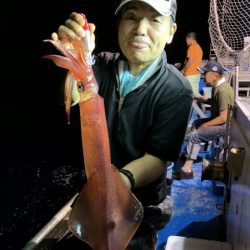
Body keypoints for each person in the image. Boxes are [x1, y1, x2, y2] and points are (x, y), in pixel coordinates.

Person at [51, 0, 193, 248]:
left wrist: (118, 184)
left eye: (154, 20)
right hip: (96, 194)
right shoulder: (101, 65)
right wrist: (77, 53)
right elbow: (74, 96)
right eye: (131, 17)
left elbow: (158, 157)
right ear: (118, 25)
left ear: (171, 32)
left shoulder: (176, 88)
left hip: (142, 200)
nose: (139, 29)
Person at [173, 61, 234, 180]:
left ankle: (186, 171)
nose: (202, 76)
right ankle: (192, 153)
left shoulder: (223, 91)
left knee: (195, 135)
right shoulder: (218, 87)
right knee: (196, 123)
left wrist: (206, 125)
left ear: (215, 76)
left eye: (205, 73)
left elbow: (223, 117)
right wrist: (197, 97)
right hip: (221, 121)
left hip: (226, 125)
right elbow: (214, 102)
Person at [181, 31, 203, 98]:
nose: (186, 41)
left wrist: (183, 70)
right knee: (194, 95)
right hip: (196, 74)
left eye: (186, 40)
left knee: (189, 95)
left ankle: (208, 100)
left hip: (190, 75)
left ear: (190, 39)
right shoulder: (199, 48)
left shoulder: (192, 47)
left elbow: (190, 61)